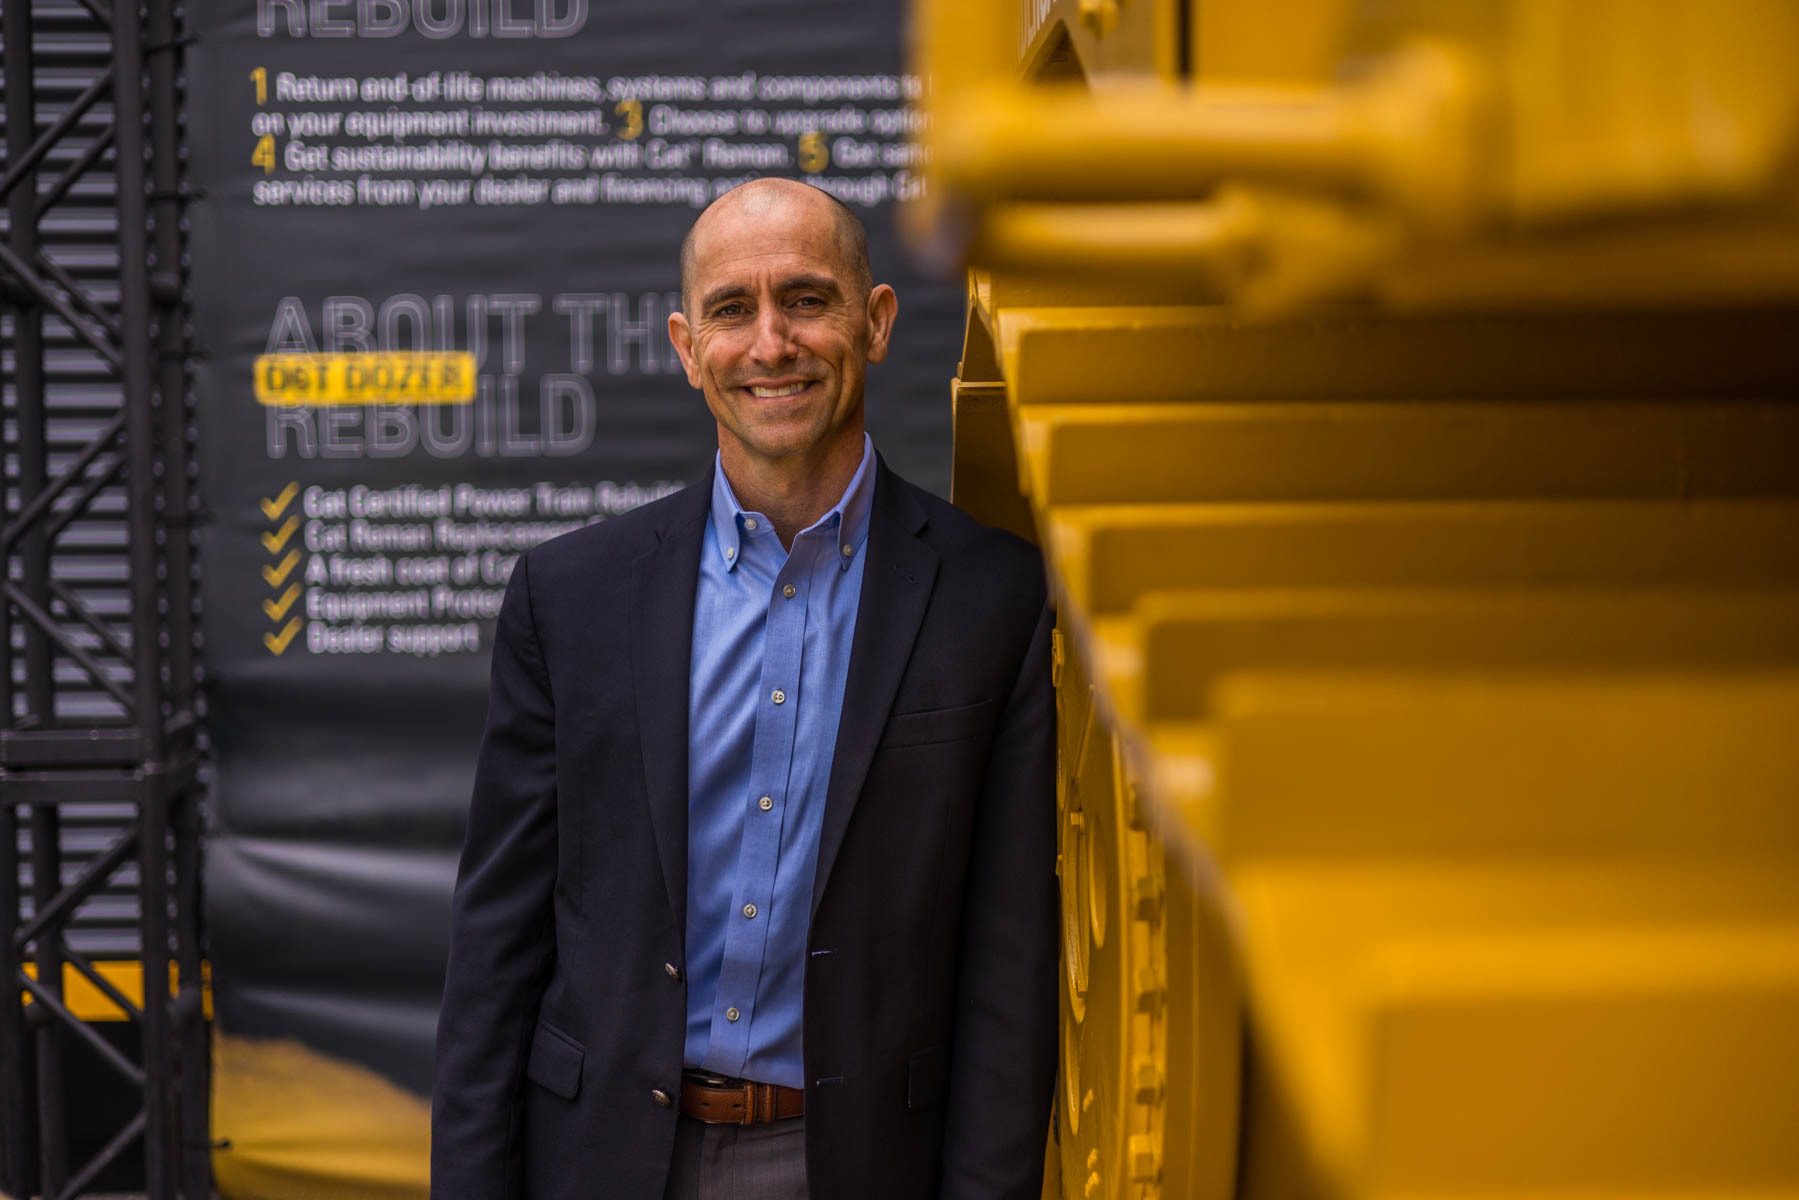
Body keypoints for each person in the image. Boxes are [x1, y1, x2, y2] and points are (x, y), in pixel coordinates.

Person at [431, 178, 1057, 1200]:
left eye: (806, 300)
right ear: (686, 348)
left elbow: (1009, 972)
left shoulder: (993, 599)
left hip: (856, 1165)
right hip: (602, 1163)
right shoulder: (570, 597)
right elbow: (494, 950)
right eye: (732, 310)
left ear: (876, 322)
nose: (771, 344)